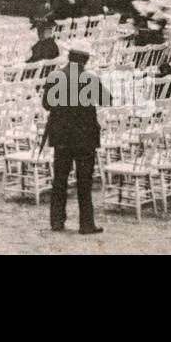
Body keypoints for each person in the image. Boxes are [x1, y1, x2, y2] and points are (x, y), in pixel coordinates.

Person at [43, 47, 111, 234]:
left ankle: (57, 221)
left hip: (62, 137)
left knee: (60, 180)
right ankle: (86, 223)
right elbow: (107, 99)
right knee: (84, 181)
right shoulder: (90, 78)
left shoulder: (56, 76)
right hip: (85, 137)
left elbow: (46, 104)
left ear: (69, 58)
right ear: (85, 61)